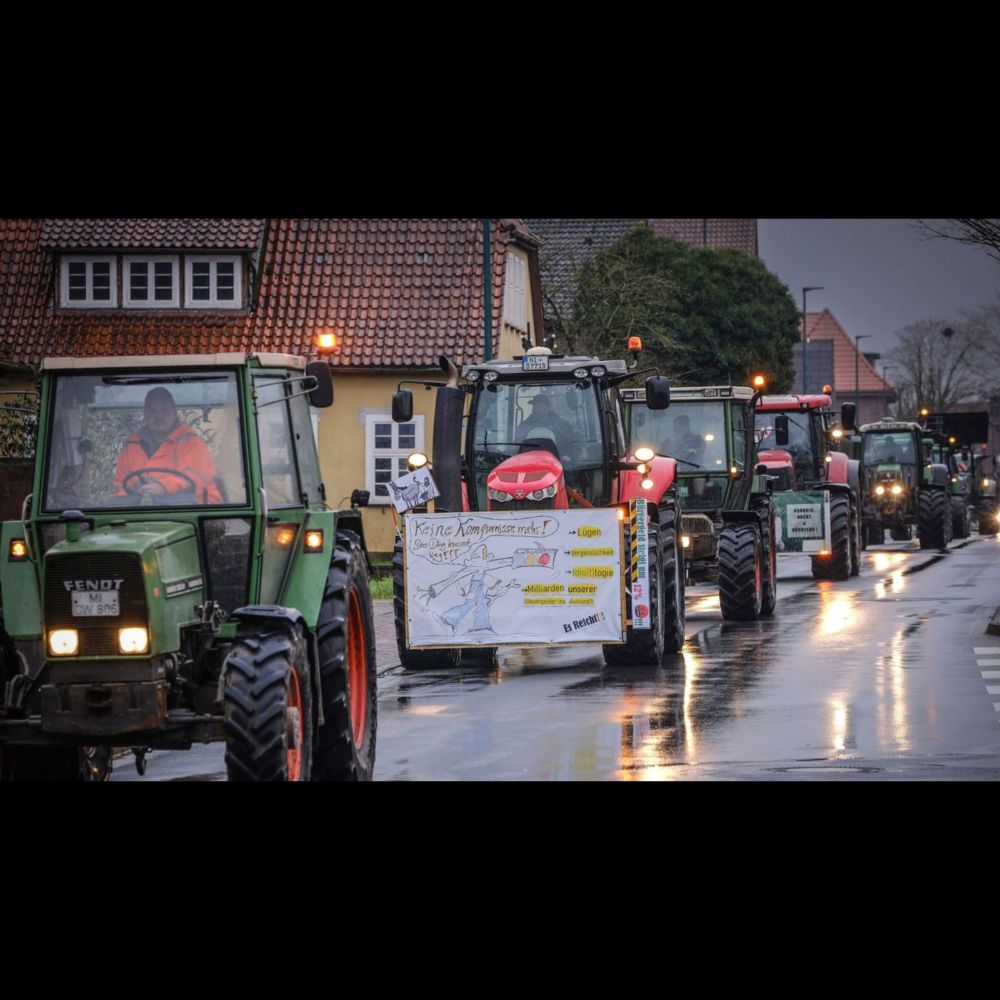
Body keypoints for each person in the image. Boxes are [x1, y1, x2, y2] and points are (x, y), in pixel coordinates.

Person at [114, 387, 223, 503]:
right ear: (145, 414)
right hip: (142, 512)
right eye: (152, 411)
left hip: (194, 511)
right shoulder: (131, 445)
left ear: (174, 412)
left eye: (164, 410)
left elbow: (195, 477)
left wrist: (164, 487)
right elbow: (120, 485)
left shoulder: (191, 442)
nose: (158, 416)